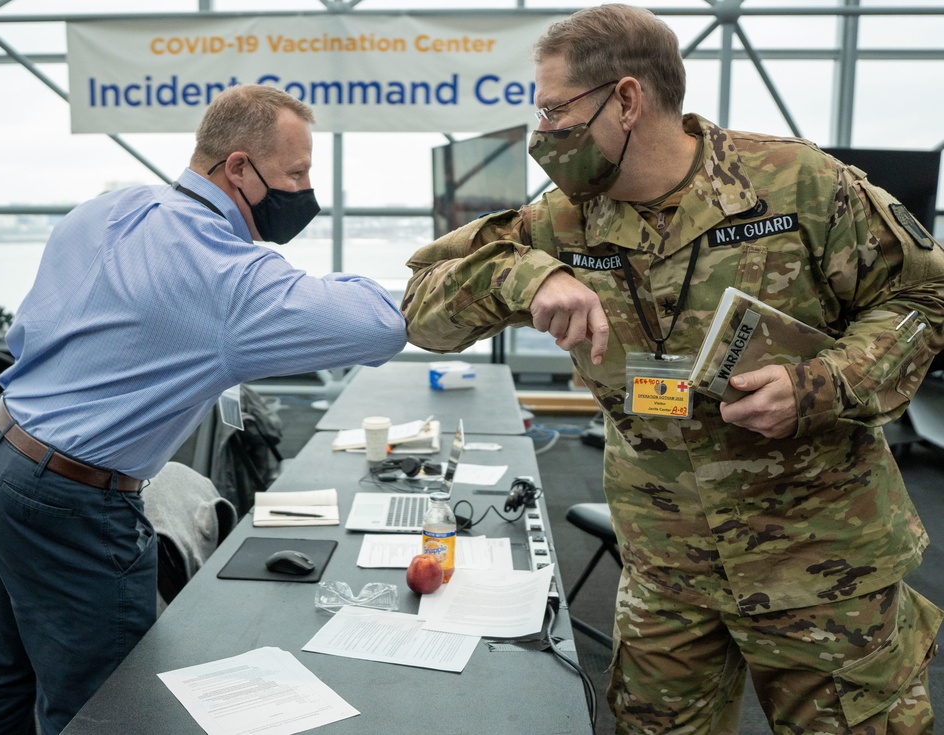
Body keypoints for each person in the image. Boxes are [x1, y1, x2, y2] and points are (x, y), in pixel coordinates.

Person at [402, 5, 944, 734]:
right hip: (666, 572)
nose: (544, 135)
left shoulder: (797, 187)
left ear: (627, 100)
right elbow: (421, 308)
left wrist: (827, 383)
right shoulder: (561, 222)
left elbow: (923, 293)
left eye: (556, 111)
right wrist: (524, 279)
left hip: (822, 565)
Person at [0, 84, 407, 734]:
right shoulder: (225, 276)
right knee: (107, 707)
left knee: (6, 664)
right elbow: (381, 324)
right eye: (296, 173)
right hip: (73, 501)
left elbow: (30, 333)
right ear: (237, 169)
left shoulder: (111, 207)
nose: (307, 191)